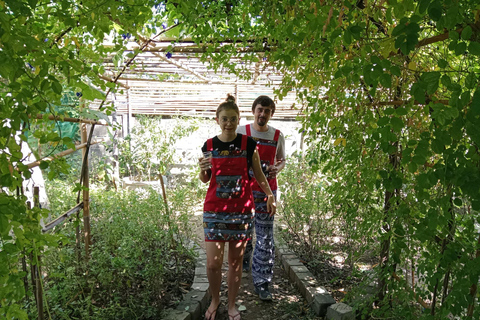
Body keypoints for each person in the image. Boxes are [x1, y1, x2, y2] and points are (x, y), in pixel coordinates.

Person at [199, 94, 276, 320]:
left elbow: (259, 175)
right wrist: (202, 168)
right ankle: (215, 300)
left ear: (239, 118)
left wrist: (270, 194)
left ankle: (232, 305)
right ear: (217, 120)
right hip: (214, 210)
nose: (229, 123)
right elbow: (205, 179)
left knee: (235, 263)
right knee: (213, 264)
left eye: (233, 119)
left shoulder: (248, 144)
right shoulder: (209, 145)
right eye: (224, 119)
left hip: (241, 212)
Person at [236, 95, 285, 301]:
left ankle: (262, 282)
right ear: (253, 110)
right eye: (260, 109)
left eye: (267, 110)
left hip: (267, 193)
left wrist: (277, 168)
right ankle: (246, 256)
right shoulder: (241, 132)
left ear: (271, 114)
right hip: (244, 191)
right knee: (244, 229)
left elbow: (282, 160)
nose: (262, 114)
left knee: (265, 237)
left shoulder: (277, 136)